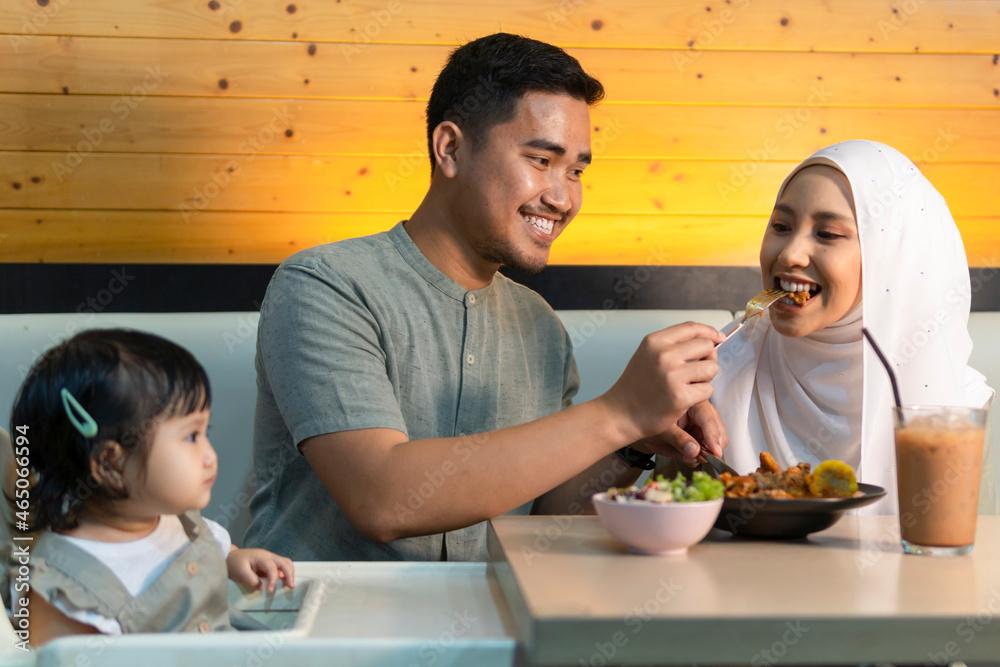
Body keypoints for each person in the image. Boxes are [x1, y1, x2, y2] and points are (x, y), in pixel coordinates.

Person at [244, 32, 726, 562]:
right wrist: (618, 413)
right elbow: (382, 498)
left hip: (490, 621)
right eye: (541, 159)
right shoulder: (326, 285)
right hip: (325, 625)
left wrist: (634, 442)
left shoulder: (540, 324)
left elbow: (545, 513)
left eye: (577, 171)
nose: (563, 197)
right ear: (450, 148)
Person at [712, 139, 996, 514]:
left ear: (891, 258)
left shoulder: (959, 408)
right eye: (781, 225)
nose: (789, 254)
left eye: (828, 234)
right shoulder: (715, 372)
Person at [8, 329, 294, 646]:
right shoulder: (64, 590)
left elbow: (211, 552)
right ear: (110, 465)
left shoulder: (178, 519)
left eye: (205, 431)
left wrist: (236, 559)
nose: (210, 456)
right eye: (191, 437)